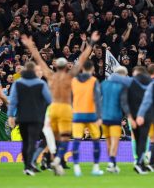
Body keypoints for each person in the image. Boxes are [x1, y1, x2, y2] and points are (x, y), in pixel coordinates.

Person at [21, 31, 100, 176]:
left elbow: (39, 59)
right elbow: (82, 59)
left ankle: (52, 161)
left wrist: (30, 45)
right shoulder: (70, 75)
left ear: (56, 66)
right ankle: (57, 159)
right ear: (67, 67)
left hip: (52, 108)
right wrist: (91, 43)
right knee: (63, 138)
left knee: (52, 138)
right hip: (65, 108)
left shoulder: (50, 75)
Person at [7, 62, 52, 176]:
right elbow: (50, 100)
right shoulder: (41, 83)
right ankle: (29, 166)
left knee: (25, 142)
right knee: (32, 141)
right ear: (34, 70)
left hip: (22, 117)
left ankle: (26, 166)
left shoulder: (18, 83)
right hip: (36, 117)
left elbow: (13, 101)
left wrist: (10, 115)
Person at [71, 60, 103, 176]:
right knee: (96, 141)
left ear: (82, 68)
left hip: (77, 114)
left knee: (76, 140)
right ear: (92, 69)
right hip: (91, 115)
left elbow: (71, 97)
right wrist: (99, 116)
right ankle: (95, 167)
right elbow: (97, 100)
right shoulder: (94, 81)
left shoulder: (74, 80)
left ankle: (76, 168)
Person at [100, 66, 130, 173]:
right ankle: (111, 163)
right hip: (115, 117)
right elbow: (124, 103)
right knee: (114, 142)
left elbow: (98, 101)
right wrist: (129, 114)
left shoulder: (103, 84)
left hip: (104, 117)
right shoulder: (121, 86)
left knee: (108, 142)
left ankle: (111, 163)